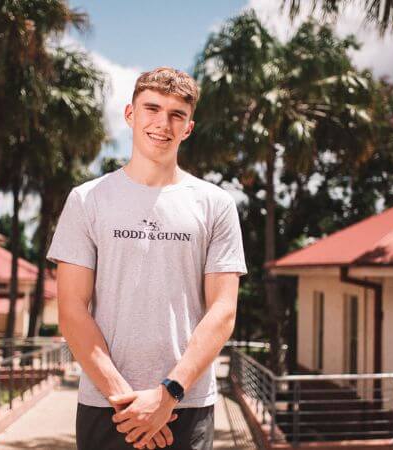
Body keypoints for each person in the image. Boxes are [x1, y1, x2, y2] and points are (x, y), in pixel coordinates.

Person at [47, 66, 247, 450]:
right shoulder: (87, 199)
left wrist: (166, 394)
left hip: (185, 405)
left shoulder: (215, 205)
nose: (163, 123)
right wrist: (126, 401)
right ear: (130, 114)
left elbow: (223, 311)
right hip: (106, 405)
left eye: (177, 115)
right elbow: (72, 308)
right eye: (152, 108)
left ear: (188, 128)